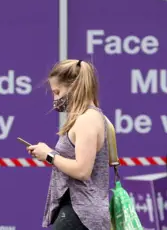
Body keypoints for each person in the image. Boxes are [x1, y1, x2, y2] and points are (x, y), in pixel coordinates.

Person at [26, 59, 110, 230]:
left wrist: (49, 155)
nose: (55, 99)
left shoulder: (87, 119)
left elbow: (82, 170)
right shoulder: (88, 118)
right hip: (79, 211)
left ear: (74, 88)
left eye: (57, 92)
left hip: (81, 214)